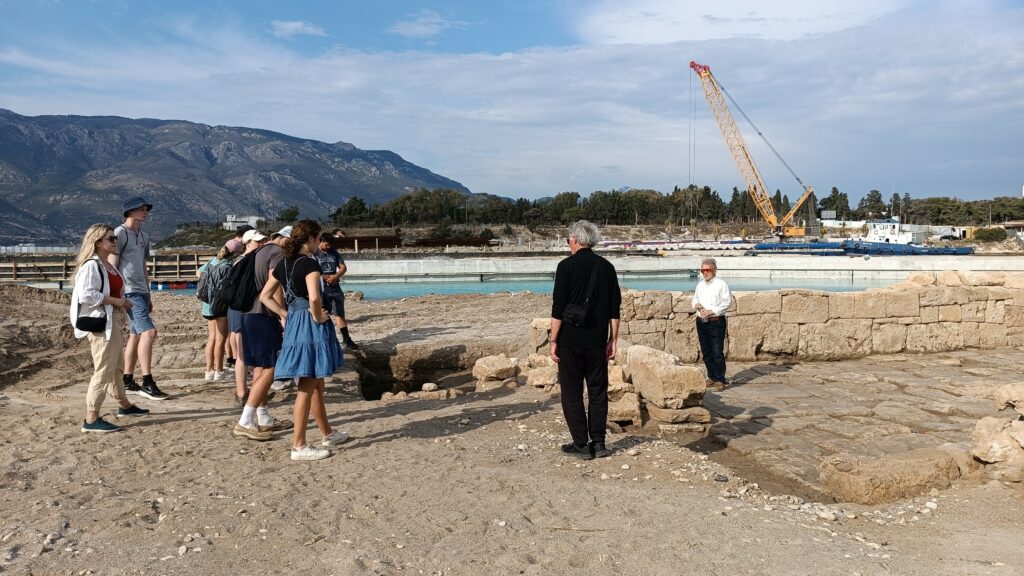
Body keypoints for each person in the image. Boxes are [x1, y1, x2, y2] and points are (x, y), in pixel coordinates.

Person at [261, 220, 349, 461]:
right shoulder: (310, 264)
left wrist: (285, 314)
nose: (319, 242)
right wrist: (317, 314)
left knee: (316, 384)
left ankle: (328, 433)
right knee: (307, 385)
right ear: (310, 238)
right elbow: (314, 297)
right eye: (318, 238)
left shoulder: (283, 264)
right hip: (310, 326)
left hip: (294, 324)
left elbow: (265, 296)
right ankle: (298, 445)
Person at [549, 220, 621, 460]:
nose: (568, 243)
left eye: (569, 240)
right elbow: (614, 309)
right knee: (598, 391)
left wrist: (553, 340)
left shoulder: (565, 267)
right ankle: (599, 443)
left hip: (570, 341)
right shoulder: (607, 267)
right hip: (597, 341)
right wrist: (613, 340)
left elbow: (558, 308)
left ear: (575, 240)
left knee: (571, 392)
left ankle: (580, 444)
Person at [71, 224, 150, 432]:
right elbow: (86, 295)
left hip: (113, 321)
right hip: (101, 325)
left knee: (116, 367)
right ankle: (91, 417)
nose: (115, 241)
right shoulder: (92, 265)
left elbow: (110, 290)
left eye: (115, 238)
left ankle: (124, 405)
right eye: (111, 239)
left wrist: (121, 301)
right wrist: (117, 301)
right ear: (98, 242)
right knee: (104, 369)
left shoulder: (107, 264)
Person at [231, 226, 293, 440]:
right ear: (282, 239)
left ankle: (264, 417)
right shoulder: (276, 253)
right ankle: (245, 421)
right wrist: (283, 314)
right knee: (270, 368)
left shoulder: (258, 252)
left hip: (248, 314)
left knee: (260, 367)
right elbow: (273, 285)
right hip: (264, 315)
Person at [111, 196, 169, 400]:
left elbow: (143, 266)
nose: (145, 212)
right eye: (141, 209)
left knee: (136, 335)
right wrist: (118, 295)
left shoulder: (143, 235)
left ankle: (127, 379)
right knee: (149, 332)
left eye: (146, 209)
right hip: (129, 291)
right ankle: (147, 381)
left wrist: (149, 294)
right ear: (130, 211)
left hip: (141, 291)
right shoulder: (119, 233)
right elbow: (112, 265)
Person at [229, 229, 266, 405]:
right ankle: (242, 391)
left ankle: (246, 390)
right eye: (257, 241)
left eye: (262, 241)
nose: (261, 244)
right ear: (247, 243)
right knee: (243, 353)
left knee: (248, 352)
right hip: (241, 308)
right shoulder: (243, 262)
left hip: (247, 308)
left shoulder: (251, 260)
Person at [691, 257, 733, 391]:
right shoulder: (700, 285)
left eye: (708, 270)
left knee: (717, 352)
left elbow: (727, 302)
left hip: (715, 322)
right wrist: (696, 305)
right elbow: (694, 298)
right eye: (702, 270)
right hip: (701, 322)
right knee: (706, 351)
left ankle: (720, 379)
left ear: (714, 270)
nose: (705, 272)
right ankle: (712, 376)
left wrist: (712, 311)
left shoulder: (721, 284)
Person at [313, 233, 359, 350]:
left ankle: (346, 339)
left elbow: (343, 267)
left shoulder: (334, 252)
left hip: (335, 288)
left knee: (339, 314)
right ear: (320, 242)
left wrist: (336, 276)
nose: (328, 247)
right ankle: (325, 341)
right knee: (323, 315)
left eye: (330, 245)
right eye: (326, 245)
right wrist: (324, 277)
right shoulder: (314, 253)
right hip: (322, 290)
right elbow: (312, 270)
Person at [197, 245, 233, 382]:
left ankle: (209, 370)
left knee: (211, 337)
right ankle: (219, 371)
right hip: (219, 306)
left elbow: (198, 273)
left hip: (206, 305)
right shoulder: (228, 266)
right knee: (221, 338)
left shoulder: (211, 261)